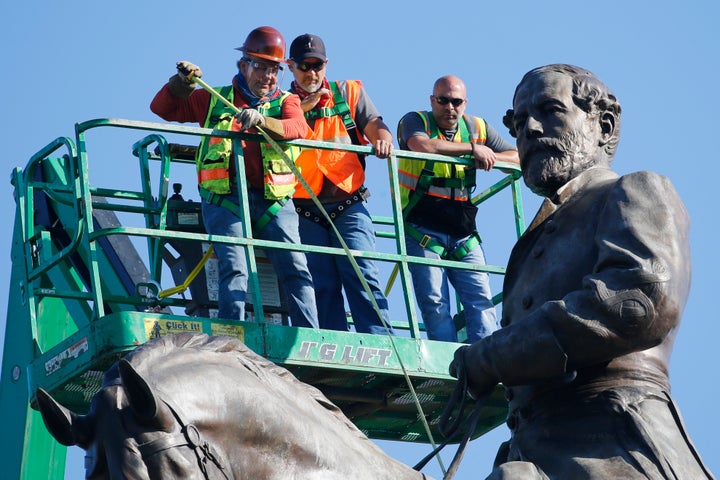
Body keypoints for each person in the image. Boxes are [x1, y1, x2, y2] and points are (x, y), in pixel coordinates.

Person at [450, 64, 714, 479]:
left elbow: (642, 301)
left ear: (603, 126)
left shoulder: (632, 190)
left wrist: (494, 355)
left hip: (613, 443)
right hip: (529, 452)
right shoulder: (537, 239)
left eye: (549, 110)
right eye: (518, 123)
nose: (530, 131)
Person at [150, 26, 318, 329]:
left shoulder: (286, 102)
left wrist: (263, 121)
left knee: (296, 268)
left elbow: (297, 129)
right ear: (244, 66)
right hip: (225, 200)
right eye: (261, 67)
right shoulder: (215, 99)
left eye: (274, 70)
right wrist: (182, 82)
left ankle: (311, 337)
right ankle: (232, 334)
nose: (268, 76)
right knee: (235, 268)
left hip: (274, 203)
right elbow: (163, 108)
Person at [397, 75, 519, 343]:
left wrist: (490, 156)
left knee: (481, 299)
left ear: (465, 103)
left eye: (456, 101)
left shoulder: (477, 126)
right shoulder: (415, 121)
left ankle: (485, 360)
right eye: (442, 100)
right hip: (423, 228)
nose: (449, 107)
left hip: (463, 230)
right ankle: (448, 365)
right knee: (435, 302)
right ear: (432, 100)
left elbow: (518, 156)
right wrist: (474, 149)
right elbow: (422, 145)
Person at [286, 33, 393, 335]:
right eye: (304, 66)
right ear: (291, 67)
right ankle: (330, 345)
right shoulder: (283, 104)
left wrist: (383, 141)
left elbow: (376, 127)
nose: (312, 73)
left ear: (326, 64)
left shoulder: (348, 93)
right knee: (320, 284)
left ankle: (380, 343)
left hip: (349, 204)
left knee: (362, 273)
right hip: (305, 211)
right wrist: (301, 109)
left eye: (317, 65)